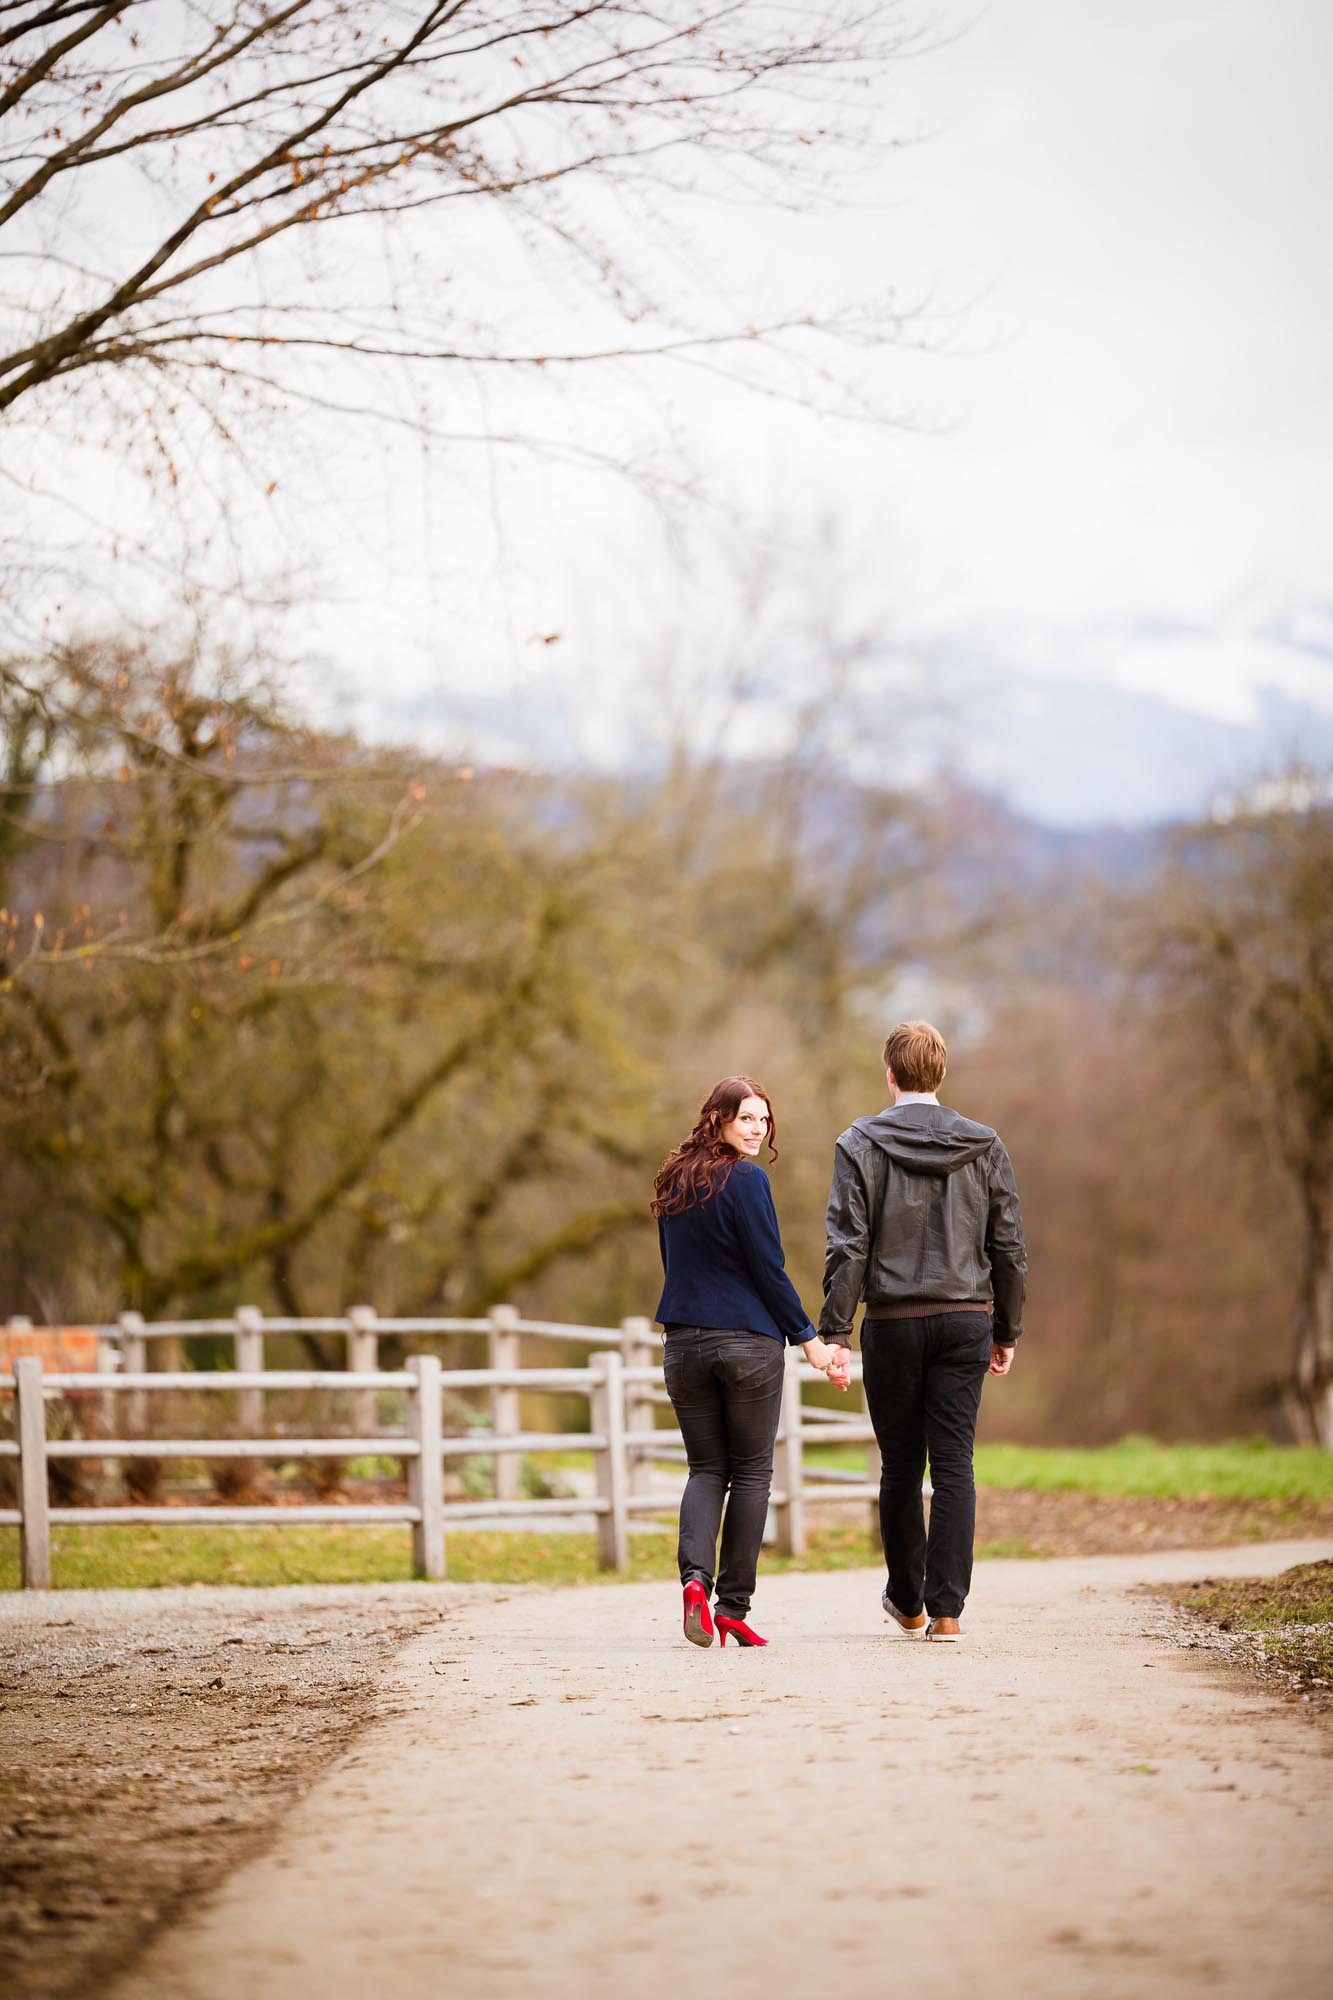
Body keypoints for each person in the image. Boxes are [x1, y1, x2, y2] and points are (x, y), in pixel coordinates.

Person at [820, 1021, 1026, 1642]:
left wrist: (835, 1330)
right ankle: (947, 1611)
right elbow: (1009, 1246)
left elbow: (848, 1245)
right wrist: (1007, 1327)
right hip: (967, 1319)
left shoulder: (858, 1143)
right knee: (955, 1463)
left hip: (893, 1324)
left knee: (901, 1467)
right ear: (940, 1074)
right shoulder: (986, 1145)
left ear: (890, 1075)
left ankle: (907, 1602)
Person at [654, 1076, 850, 1650]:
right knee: (753, 1474)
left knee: (705, 1470)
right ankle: (732, 1606)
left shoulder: (672, 1179)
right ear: (716, 1119)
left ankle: (694, 1583)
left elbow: (673, 1263)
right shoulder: (748, 1180)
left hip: (684, 1343)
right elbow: (770, 1269)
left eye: (764, 1120)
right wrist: (810, 1339)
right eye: (746, 1118)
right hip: (748, 1345)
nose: (758, 1129)